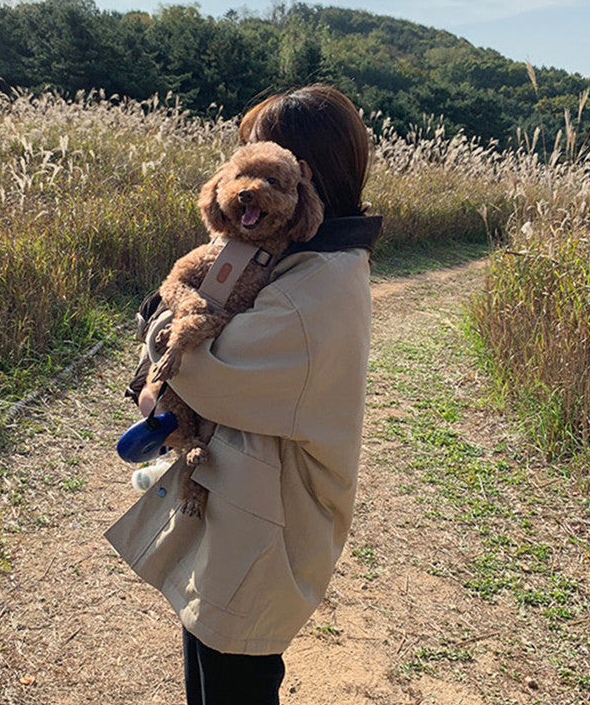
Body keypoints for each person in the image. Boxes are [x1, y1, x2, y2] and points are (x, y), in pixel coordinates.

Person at [104, 84, 383, 705]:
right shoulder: (302, 264)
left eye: (263, 163)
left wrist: (158, 325)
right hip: (245, 509)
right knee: (209, 655)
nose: (244, 185)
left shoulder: (315, 289)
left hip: (266, 526)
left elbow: (203, 370)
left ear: (304, 176)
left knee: (232, 676)